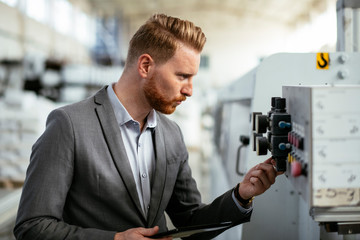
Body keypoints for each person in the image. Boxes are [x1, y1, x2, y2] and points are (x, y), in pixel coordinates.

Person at [14, 13, 281, 240]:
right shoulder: (69, 125)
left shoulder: (171, 134)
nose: (189, 90)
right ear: (145, 65)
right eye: (182, 76)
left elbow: (190, 220)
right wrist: (115, 239)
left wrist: (241, 195)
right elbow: (33, 225)